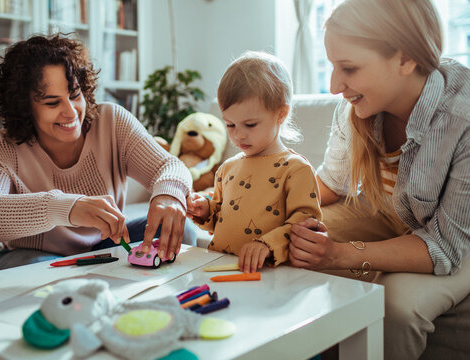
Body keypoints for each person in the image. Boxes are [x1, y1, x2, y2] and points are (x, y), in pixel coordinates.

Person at [287, 0, 470, 358]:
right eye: (332, 66)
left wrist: (339, 255)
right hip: (398, 219)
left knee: (397, 306)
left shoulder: (461, 119)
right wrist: (260, 197)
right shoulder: (358, 108)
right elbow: (332, 183)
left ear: (405, 60)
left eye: (349, 68)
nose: (334, 85)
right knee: (290, 239)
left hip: (458, 239)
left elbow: (444, 246)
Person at [0, 34, 196, 271]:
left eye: (75, 95)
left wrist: (168, 195)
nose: (71, 112)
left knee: (180, 230)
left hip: (104, 246)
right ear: (25, 108)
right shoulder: (4, 145)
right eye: (52, 103)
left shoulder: (112, 121)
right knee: (37, 276)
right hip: (33, 255)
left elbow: (169, 166)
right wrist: (67, 208)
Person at [187, 51, 322, 274]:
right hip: (221, 267)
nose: (238, 135)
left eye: (249, 125)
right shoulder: (227, 168)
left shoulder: (296, 169)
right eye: (230, 125)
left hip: (270, 274)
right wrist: (204, 211)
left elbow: (306, 225)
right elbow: (221, 216)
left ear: (281, 114)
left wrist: (267, 245)